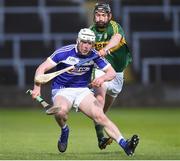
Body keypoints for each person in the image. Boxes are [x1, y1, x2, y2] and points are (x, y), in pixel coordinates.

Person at [31, 28, 139, 156]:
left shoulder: (94, 54)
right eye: (84, 42)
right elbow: (41, 68)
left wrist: (102, 78)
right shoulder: (64, 52)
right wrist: (37, 87)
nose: (86, 46)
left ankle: (125, 145)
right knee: (61, 112)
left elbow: (111, 73)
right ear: (78, 41)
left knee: (99, 116)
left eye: (89, 43)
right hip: (62, 90)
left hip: (82, 90)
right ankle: (64, 130)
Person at [90, 3, 139, 150]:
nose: (100, 18)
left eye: (103, 15)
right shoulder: (91, 32)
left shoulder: (115, 27)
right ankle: (106, 139)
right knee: (99, 104)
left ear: (109, 16)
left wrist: (105, 48)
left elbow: (117, 38)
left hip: (117, 73)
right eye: (98, 15)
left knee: (102, 112)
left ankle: (101, 140)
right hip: (101, 71)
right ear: (94, 16)